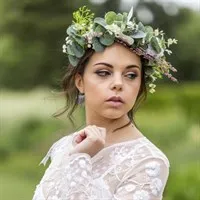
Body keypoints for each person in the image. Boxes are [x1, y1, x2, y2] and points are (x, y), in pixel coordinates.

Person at [32, 6, 178, 200]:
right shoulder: (64, 146)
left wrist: (79, 159)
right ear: (80, 82)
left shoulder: (148, 163)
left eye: (131, 75)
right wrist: (78, 152)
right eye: (103, 72)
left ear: (140, 85)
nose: (118, 83)